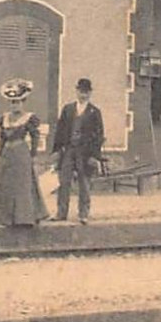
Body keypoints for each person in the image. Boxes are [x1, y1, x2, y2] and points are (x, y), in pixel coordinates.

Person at [0, 79, 48, 227]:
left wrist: (32, 153)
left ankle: (24, 218)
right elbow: (2, 138)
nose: (15, 105)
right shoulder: (4, 119)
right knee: (5, 184)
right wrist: (1, 154)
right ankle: (4, 217)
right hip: (7, 154)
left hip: (21, 153)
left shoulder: (29, 118)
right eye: (12, 102)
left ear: (23, 102)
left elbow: (35, 136)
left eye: (18, 102)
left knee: (22, 185)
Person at [50, 76, 104, 224]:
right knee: (63, 182)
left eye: (86, 92)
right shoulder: (68, 109)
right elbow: (60, 131)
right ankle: (61, 213)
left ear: (90, 93)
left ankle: (83, 214)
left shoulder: (95, 112)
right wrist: (56, 150)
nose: (83, 95)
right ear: (76, 91)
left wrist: (94, 156)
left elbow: (99, 136)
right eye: (81, 91)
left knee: (84, 183)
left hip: (85, 154)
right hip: (68, 151)